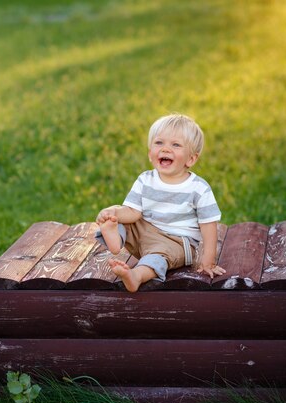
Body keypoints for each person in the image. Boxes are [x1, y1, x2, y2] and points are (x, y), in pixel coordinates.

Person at [96, 114, 226, 292]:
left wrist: (208, 261)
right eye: (159, 143)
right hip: (147, 233)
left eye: (176, 145)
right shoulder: (145, 179)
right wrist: (115, 214)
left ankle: (136, 275)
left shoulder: (198, 189)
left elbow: (209, 226)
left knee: (159, 255)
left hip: (177, 243)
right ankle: (114, 238)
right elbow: (133, 212)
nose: (165, 149)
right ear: (150, 154)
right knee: (123, 219)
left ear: (191, 159)